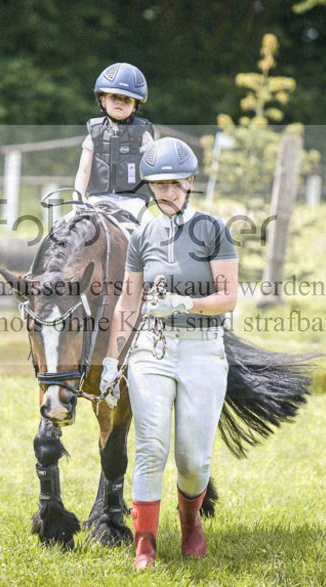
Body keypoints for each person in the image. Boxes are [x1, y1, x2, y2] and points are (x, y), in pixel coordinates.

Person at [100, 138, 238, 570]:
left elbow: (229, 298)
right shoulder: (143, 234)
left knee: (193, 459)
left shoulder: (214, 230)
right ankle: (145, 544)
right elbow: (127, 302)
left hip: (202, 350)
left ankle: (191, 522)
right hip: (152, 350)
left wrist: (184, 303)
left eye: (174, 184)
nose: (166, 192)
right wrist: (111, 360)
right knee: (151, 447)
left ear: (190, 182)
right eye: (158, 185)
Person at [73, 62, 156, 221]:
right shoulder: (93, 134)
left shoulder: (143, 135)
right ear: (103, 100)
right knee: (66, 225)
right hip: (98, 199)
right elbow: (83, 170)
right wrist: (78, 196)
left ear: (134, 106)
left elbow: (152, 171)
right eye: (114, 97)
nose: (119, 102)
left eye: (126, 100)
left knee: (153, 230)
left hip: (134, 201)